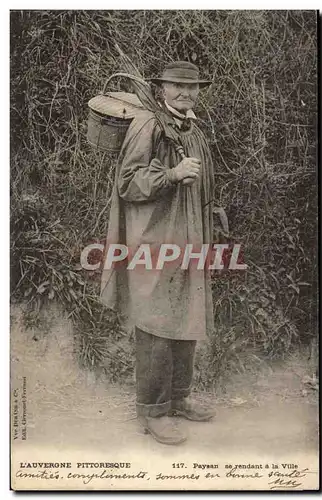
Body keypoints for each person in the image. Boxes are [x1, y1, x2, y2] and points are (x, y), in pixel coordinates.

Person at [100, 61, 216, 445]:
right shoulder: (148, 125)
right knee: (154, 324)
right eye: (177, 86)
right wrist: (171, 173)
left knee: (186, 315)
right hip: (153, 239)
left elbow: (201, 184)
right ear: (161, 87)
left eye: (193, 87)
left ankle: (179, 398)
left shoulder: (191, 128)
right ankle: (152, 411)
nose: (186, 93)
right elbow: (128, 183)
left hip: (189, 237)